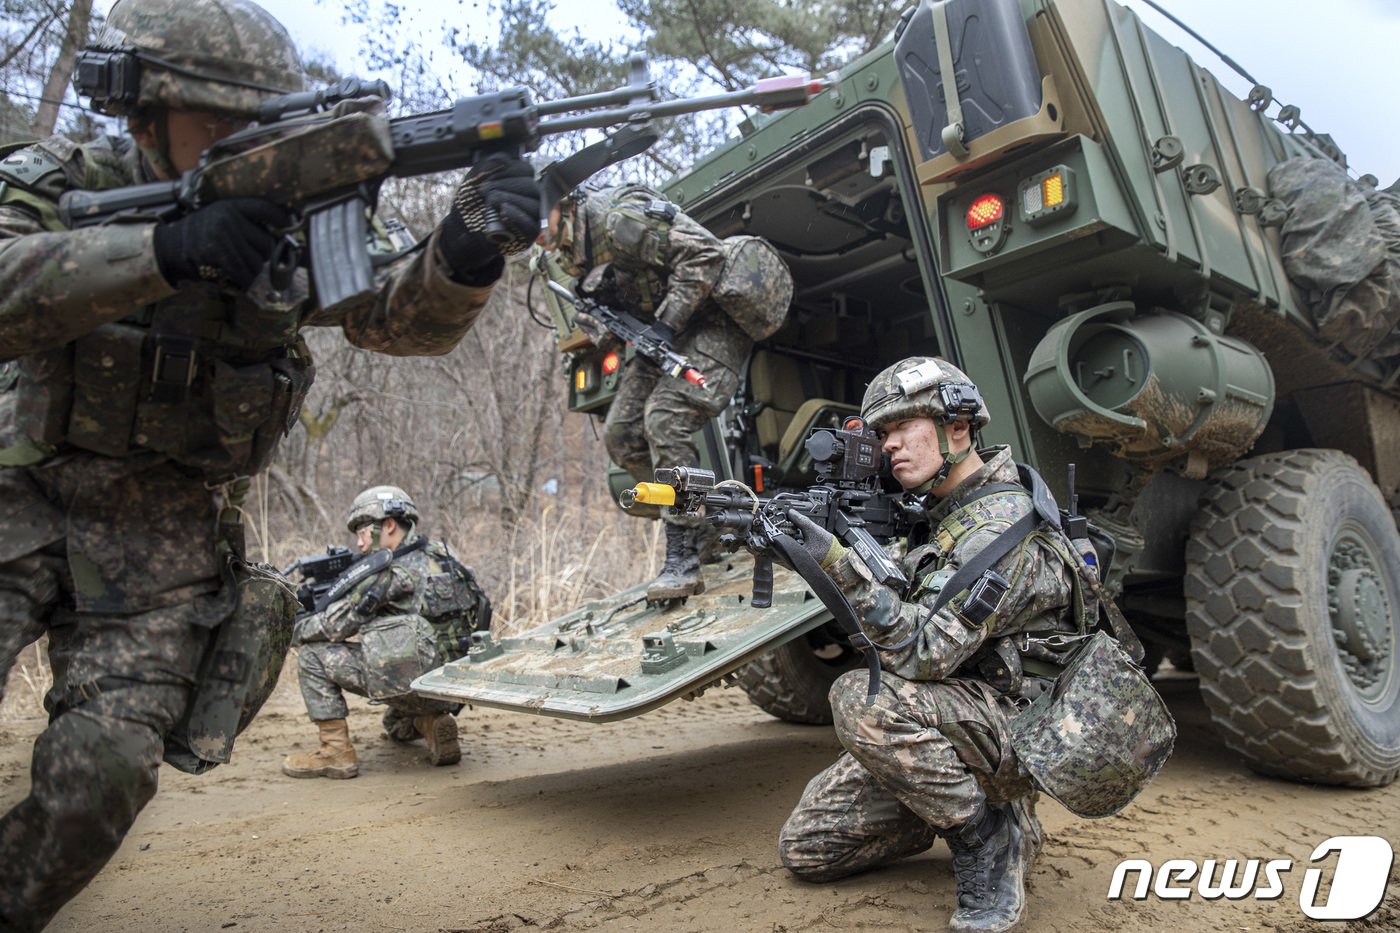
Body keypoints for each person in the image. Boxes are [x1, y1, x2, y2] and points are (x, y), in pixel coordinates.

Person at [0, 0, 539, 927]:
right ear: (144, 115)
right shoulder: (62, 181)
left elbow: (394, 319)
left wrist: (467, 248)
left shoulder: (297, 227)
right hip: (20, 492)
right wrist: (164, 251)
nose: (243, 145)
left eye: (262, 126)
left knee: (102, 778)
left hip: (161, 545)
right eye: (215, 124)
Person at [777, 356, 1092, 933]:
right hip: (962, 708)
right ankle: (977, 804)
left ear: (958, 427)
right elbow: (900, 603)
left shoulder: (1000, 524)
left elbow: (924, 652)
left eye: (903, 428)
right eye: (882, 434)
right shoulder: (936, 513)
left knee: (862, 699)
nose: (889, 446)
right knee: (808, 849)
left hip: (1024, 725)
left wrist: (837, 565)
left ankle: (985, 837)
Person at [538, 185, 750, 601]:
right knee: (621, 434)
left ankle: (683, 557)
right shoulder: (567, 256)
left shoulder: (618, 220)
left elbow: (707, 255)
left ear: (560, 205)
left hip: (712, 323)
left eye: (534, 218)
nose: (532, 234)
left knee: (663, 418)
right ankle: (704, 524)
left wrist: (667, 323)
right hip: (660, 337)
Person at [284, 486, 490, 778]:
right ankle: (431, 723)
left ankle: (335, 753)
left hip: (416, 686)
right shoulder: (446, 557)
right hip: (456, 687)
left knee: (311, 656)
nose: (359, 543)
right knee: (396, 727)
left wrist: (290, 631)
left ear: (389, 525)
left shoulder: (389, 574)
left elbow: (334, 626)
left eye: (363, 532)